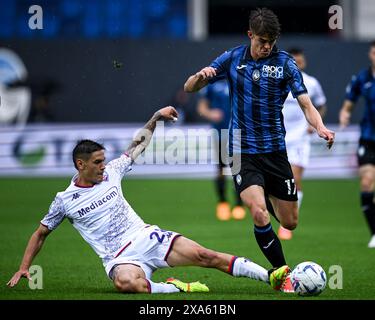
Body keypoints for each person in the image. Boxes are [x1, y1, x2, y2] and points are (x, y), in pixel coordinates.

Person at [7, 106, 290, 294]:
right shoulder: (64, 200)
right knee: (127, 284)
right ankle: (177, 288)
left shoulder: (113, 173)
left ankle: (271, 277)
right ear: (80, 165)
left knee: (207, 256)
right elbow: (40, 233)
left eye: (104, 160)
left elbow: (137, 145)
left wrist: (154, 119)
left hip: (146, 237)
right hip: (119, 258)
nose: (103, 166)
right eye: (97, 162)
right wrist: (24, 266)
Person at [184, 8, 335, 292]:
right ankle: (282, 274)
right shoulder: (231, 58)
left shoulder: (285, 64)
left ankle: (263, 190)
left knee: (290, 223)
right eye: (262, 41)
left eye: (272, 41)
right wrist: (200, 77)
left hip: (275, 151)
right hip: (242, 151)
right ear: (250, 35)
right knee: (259, 214)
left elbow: (306, 103)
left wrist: (320, 127)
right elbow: (190, 87)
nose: (267, 46)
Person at [278, 48, 327, 240]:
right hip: (278, 138)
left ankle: (287, 224)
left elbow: (321, 105)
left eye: (300, 61)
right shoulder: (278, 80)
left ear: (304, 63)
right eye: (294, 61)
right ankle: (280, 215)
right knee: (277, 181)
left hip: (300, 138)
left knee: (295, 180)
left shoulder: (312, 83)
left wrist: (315, 124)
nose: (297, 64)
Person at [339, 40, 375, 248]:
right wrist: (344, 115)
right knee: (366, 183)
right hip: (368, 139)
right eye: (373, 52)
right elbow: (348, 103)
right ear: (370, 55)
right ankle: (374, 233)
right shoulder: (362, 78)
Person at [197, 79, 246, 221]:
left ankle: (238, 205)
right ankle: (222, 203)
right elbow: (202, 108)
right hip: (220, 133)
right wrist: (210, 113)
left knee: (237, 169)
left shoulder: (238, 81)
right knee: (221, 169)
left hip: (237, 133)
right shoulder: (212, 85)